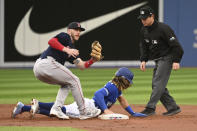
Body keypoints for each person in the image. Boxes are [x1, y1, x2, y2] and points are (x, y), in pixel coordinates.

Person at [11, 67, 147, 119]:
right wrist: (105, 110)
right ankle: (37, 104)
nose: (129, 84)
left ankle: (23, 107)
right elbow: (98, 94)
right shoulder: (112, 87)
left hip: (91, 107)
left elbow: (122, 100)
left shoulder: (117, 89)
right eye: (128, 81)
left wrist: (132, 113)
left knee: (59, 112)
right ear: (123, 80)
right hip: (90, 108)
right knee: (61, 110)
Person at [32, 22, 101, 120]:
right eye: (75, 30)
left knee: (67, 83)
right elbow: (51, 41)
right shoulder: (65, 36)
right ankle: (84, 112)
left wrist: (92, 61)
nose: (78, 32)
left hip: (40, 69)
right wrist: (66, 50)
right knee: (75, 80)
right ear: (69, 30)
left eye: (79, 30)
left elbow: (81, 65)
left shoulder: (72, 48)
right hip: (46, 63)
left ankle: (56, 109)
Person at [137, 6, 184, 116]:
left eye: (145, 18)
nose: (143, 20)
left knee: (158, 83)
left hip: (167, 58)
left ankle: (150, 108)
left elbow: (177, 46)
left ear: (152, 16)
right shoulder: (143, 30)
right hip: (157, 60)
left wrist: (176, 61)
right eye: (141, 18)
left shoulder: (163, 28)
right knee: (157, 85)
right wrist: (143, 60)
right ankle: (173, 107)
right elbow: (143, 46)